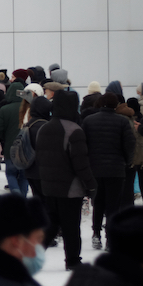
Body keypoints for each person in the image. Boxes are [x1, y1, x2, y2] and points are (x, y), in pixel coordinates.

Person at [34, 89, 96, 270]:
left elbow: (40, 157)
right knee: (71, 226)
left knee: (51, 224)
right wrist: (91, 185)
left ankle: (31, 257)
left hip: (48, 185)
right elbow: (81, 163)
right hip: (70, 187)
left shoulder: (44, 128)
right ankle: (73, 260)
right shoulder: (74, 130)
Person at [82, 92, 138, 251]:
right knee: (113, 205)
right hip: (116, 169)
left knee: (98, 202)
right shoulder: (122, 121)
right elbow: (129, 144)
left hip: (95, 169)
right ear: (115, 105)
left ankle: (96, 234)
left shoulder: (88, 121)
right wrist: (127, 162)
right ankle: (110, 239)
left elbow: (83, 144)